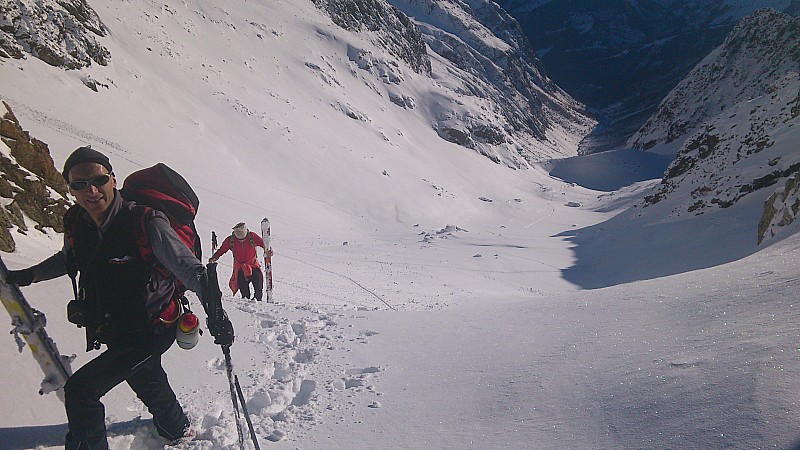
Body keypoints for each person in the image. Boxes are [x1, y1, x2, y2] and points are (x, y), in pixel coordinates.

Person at [6, 146, 234, 449]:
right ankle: (177, 428)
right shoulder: (77, 222)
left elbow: (190, 269)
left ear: (113, 179)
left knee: (81, 392)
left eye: (98, 180)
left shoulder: (146, 222)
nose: (91, 190)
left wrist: (216, 312)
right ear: (71, 189)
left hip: (152, 327)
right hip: (113, 326)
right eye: (79, 184)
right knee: (145, 377)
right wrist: (30, 275)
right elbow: (69, 259)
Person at [208, 222, 269, 301]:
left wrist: (268, 251)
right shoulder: (230, 240)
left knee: (258, 289)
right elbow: (222, 250)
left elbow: (264, 244)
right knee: (244, 294)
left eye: (243, 239)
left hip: (253, 266)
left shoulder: (252, 236)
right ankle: (247, 307)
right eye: (239, 239)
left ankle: (256, 304)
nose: (242, 241)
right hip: (240, 268)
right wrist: (215, 257)